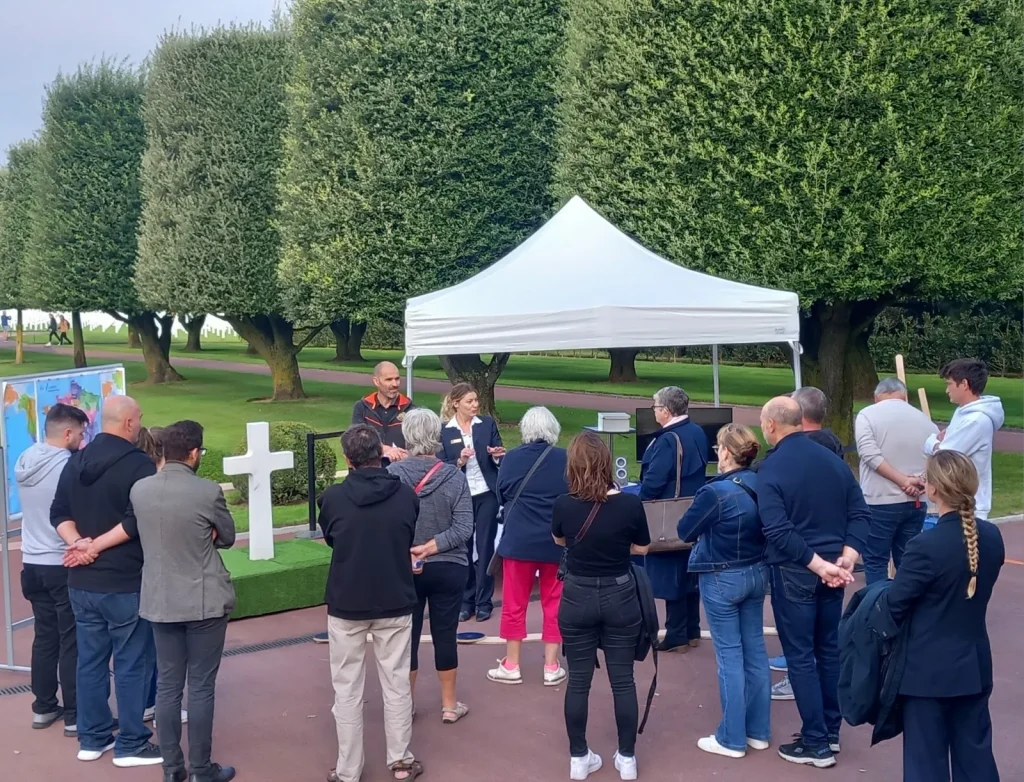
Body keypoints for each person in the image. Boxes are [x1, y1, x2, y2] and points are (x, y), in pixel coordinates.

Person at [84, 421, 236, 782]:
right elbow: (227, 536)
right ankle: (201, 769)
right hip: (203, 599)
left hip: (160, 599)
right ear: (194, 453)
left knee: (168, 686)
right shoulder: (207, 491)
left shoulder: (141, 490)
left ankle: (172, 768)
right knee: (200, 686)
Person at [757, 396, 869, 768]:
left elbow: (777, 529)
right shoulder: (833, 461)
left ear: (771, 425)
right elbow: (859, 511)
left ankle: (816, 741)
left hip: (798, 569)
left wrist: (819, 565)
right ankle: (830, 731)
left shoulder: (772, 467)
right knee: (827, 649)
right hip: (833, 566)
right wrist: (847, 556)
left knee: (801, 655)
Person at [51, 396, 162, 767]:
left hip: (81, 581)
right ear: (129, 423)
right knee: (132, 662)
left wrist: (78, 545)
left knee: (90, 661)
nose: (140, 423)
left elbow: (59, 513)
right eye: (139, 418)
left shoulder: (75, 460)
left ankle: (93, 737)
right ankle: (131, 742)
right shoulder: (140, 464)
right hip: (123, 580)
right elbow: (136, 520)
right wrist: (91, 546)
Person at [888, 450, 1004, 782]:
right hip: (974, 662)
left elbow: (896, 604)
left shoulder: (925, 546)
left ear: (934, 489)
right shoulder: (991, 537)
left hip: (927, 670)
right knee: (976, 756)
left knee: (926, 762)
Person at [317, 424, 423, 782]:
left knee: (346, 689)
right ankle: (401, 761)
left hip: (348, 600)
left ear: (347, 459)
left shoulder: (332, 499)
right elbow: (407, 533)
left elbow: (332, 537)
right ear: (381, 453)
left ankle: (348, 770)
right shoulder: (406, 496)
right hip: (395, 597)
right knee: (396, 683)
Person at [553, 432, 651, 782]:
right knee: (623, 680)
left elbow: (560, 540)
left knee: (578, 681)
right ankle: (627, 757)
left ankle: (578, 757)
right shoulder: (630, 505)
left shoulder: (564, 504)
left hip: (577, 594)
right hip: (619, 592)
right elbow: (642, 548)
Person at [678, 424, 770, 759]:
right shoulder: (761, 482)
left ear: (727, 452)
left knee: (730, 656)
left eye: (719, 447)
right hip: (756, 571)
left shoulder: (715, 492)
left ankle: (732, 737)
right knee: (755, 651)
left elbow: (685, 530)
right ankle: (757, 730)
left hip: (722, 575)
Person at [388, 409, 474, 724]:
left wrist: (415, 550)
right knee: (445, 633)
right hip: (448, 565)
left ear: (406, 436)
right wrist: (432, 547)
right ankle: (449, 705)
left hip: (406, 566)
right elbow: (464, 527)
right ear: (436, 436)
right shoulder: (454, 476)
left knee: (406, 637)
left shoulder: (392, 476)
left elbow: (387, 524)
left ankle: (406, 704)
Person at [15, 403, 89, 735]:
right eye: (81, 433)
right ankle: (75, 714)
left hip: (32, 561)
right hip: (61, 560)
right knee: (71, 639)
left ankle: (44, 707)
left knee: (45, 637)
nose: (83, 440)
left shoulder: (25, 459)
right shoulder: (69, 466)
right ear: (68, 432)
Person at [769, 386, 844, 697]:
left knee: (801, 646)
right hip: (831, 551)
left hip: (801, 557)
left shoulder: (789, 456)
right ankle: (828, 720)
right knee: (826, 644)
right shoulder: (832, 446)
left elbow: (778, 522)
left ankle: (812, 719)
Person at [487, 406, 568, 686]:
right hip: (555, 541)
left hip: (519, 540)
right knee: (554, 603)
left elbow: (501, 494)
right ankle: (551, 665)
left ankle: (512, 664)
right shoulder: (565, 458)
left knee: (514, 603)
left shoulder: (511, 458)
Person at [637, 385, 708, 653]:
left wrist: (641, 500)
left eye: (655, 407)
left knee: (672, 575)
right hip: (691, 508)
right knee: (688, 571)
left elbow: (654, 481)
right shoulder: (697, 431)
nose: (654, 411)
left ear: (666, 411)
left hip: (668, 514)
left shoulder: (668, 440)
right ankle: (692, 630)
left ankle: (676, 634)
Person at [855, 378, 939, 585]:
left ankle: (878, 602)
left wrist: (902, 480)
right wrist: (919, 480)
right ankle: (907, 601)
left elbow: (869, 454)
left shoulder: (867, 415)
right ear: (904, 396)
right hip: (916, 500)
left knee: (875, 560)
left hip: (880, 500)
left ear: (877, 397)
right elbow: (937, 455)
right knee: (908, 561)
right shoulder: (925, 420)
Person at [438, 382, 505, 622]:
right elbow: (441, 465)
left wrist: (497, 456)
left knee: (486, 546)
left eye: (476, 400)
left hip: (487, 493)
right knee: (463, 548)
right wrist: (460, 461)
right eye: (470, 401)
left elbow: (499, 456)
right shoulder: (445, 431)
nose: (475, 405)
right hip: (461, 496)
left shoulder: (487, 424)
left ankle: (484, 601)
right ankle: (466, 601)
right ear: (456, 404)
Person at [924, 358, 1005, 520]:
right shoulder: (963, 413)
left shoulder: (976, 420)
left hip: (970, 507)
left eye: (949, 384)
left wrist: (931, 442)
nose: (947, 390)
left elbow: (944, 457)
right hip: (956, 502)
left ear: (964, 384)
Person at [350, 360, 416, 463]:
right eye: (389, 379)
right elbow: (358, 441)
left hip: (401, 468)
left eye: (397, 379)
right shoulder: (362, 407)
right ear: (376, 381)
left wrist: (405, 455)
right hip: (371, 467)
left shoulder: (411, 410)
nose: (395, 384)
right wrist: (384, 449)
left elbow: (420, 445)